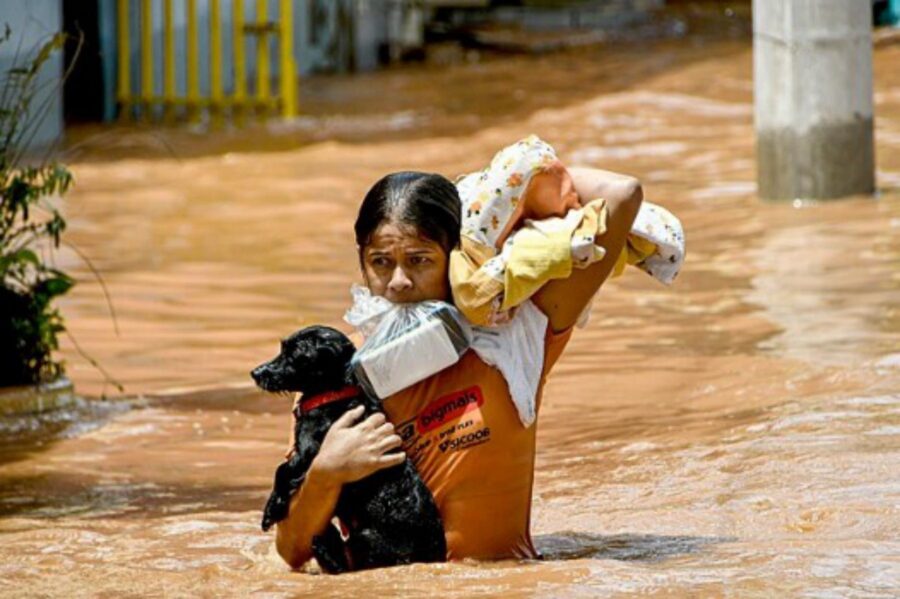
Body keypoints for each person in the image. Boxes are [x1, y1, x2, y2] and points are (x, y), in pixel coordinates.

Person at [273, 147, 644, 568]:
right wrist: (327, 471)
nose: (398, 282)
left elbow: (621, 195)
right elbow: (290, 553)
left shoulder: (515, 332)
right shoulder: (338, 372)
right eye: (380, 262)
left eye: (420, 260)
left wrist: (496, 193)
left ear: (455, 258)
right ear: (361, 263)